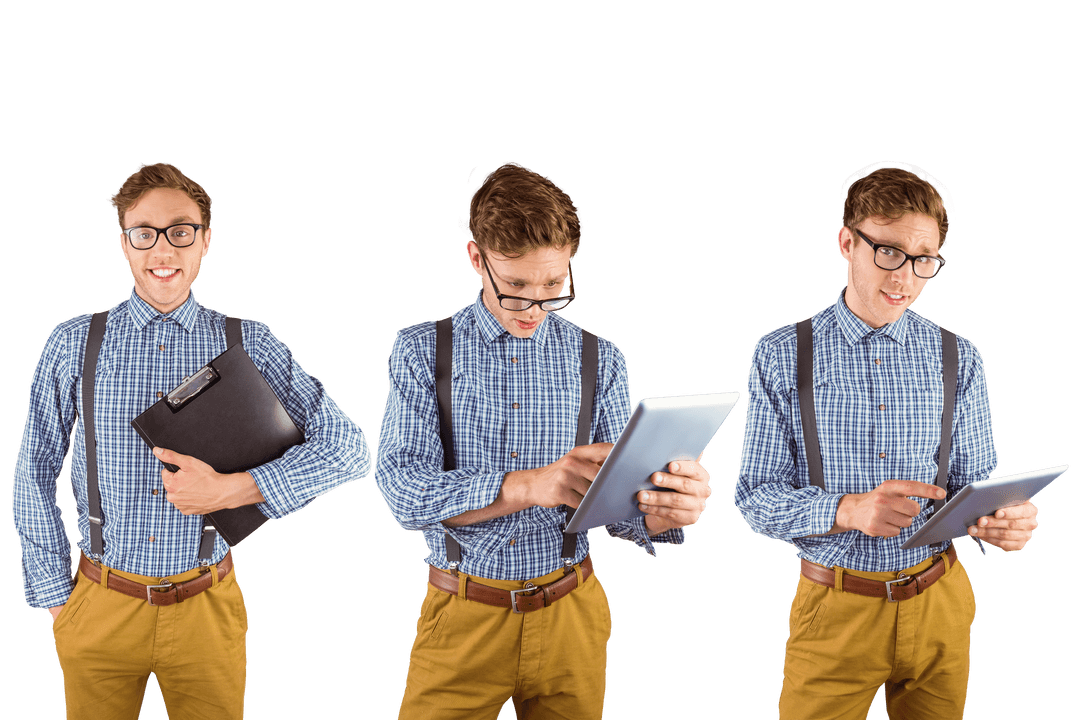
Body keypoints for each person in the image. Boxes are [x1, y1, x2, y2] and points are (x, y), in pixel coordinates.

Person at [12, 162, 371, 719]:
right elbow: (33, 471)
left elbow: (350, 450)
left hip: (208, 607)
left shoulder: (248, 342)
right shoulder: (73, 343)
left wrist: (236, 489)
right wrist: (58, 599)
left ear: (205, 242)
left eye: (181, 231)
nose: (163, 249)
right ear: (125, 246)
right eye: (144, 233)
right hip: (98, 604)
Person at [375, 161, 712, 719]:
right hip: (462, 615)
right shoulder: (421, 350)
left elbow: (616, 510)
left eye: (555, 287)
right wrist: (531, 485)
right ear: (477, 259)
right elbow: (404, 492)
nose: (535, 308)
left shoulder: (600, 360)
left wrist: (663, 509)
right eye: (515, 288)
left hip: (572, 616)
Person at [734, 162, 1039, 720]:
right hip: (835, 610)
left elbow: (975, 488)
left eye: (924, 261)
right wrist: (849, 509)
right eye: (889, 252)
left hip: (941, 601)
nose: (904, 277)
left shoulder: (959, 356)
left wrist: (1003, 521)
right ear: (847, 242)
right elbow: (755, 497)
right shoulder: (781, 353)